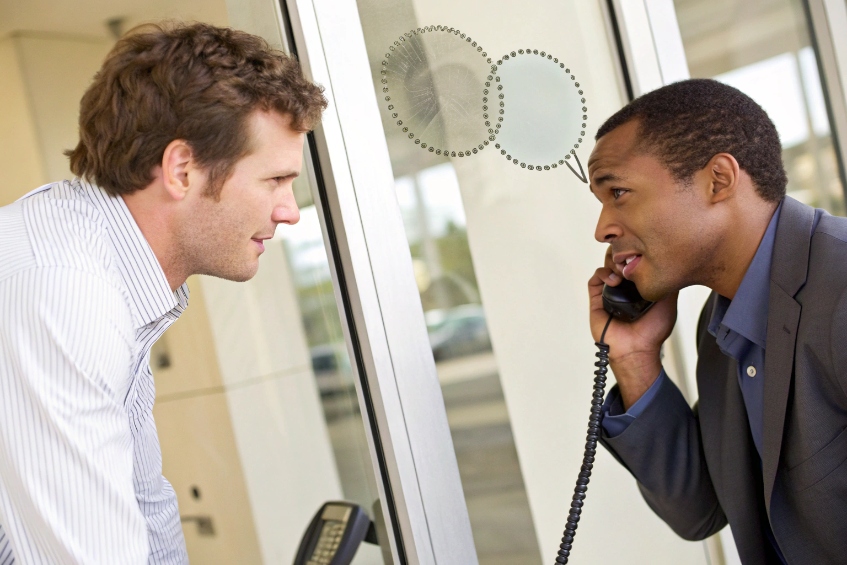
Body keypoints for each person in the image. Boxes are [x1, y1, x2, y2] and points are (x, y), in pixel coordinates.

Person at [0, 22, 326, 564]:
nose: (290, 211)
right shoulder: (63, 288)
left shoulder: (103, 261)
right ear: (182, 169)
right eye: (274, 181)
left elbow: (144, 503)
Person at [587, 79, 847, 564]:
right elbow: (700, 511)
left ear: (719, 180)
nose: (603, 227)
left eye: (618, 192)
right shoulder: (725, 319)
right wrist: (635, 358)